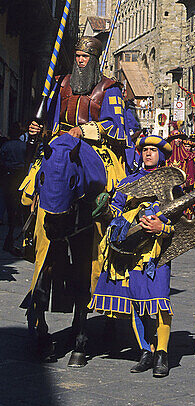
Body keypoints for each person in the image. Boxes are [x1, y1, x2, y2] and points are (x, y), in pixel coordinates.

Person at [22, 36, 130, 304]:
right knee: (33, 182)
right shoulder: (61, 84)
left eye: (85, 57)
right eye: (78, 56)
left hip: (96, 148)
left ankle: (113, 231)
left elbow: (117, 127)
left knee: (115, 186)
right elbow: (51, 117)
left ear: (94, 60)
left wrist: (87, 129)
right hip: (61, 144)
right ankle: (26, 231)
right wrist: (39, 128)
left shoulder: (109, 89)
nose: (80, 61)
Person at [91, 135, 175, 376]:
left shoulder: (171, 183)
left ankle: (162, 354)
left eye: (153, 150)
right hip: (131, 252)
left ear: (162, 155)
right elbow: (115, 213)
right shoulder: (127, 182)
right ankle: (145, 351)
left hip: (158, 254)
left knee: (160, 303)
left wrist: (163, 228)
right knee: (136, 304)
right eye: (145, 150)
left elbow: (182, 221)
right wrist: (106, 208)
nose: (148, 153)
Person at [0, 122, 28, 254]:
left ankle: (10, 236)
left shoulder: (6, 146)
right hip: (20, 178)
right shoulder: (24, 146)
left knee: (8, 205)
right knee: (18, 206)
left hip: (8, 177)